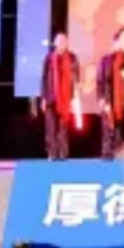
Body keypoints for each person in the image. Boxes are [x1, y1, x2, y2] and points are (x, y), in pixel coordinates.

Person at [38, 32, 82, 161]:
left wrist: (75, 95)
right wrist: (43, 97)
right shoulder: (49, 58)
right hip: (51, 97)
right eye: (59, 40)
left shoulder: (73, 58)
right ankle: (52, 153)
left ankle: (63, 154)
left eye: (64, 41)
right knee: (51, 128)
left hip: (66, 98)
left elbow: (76, 78)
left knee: (63, 129)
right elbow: (44, 78)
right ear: (55, 43)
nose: (62, 43)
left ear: (67, 43)